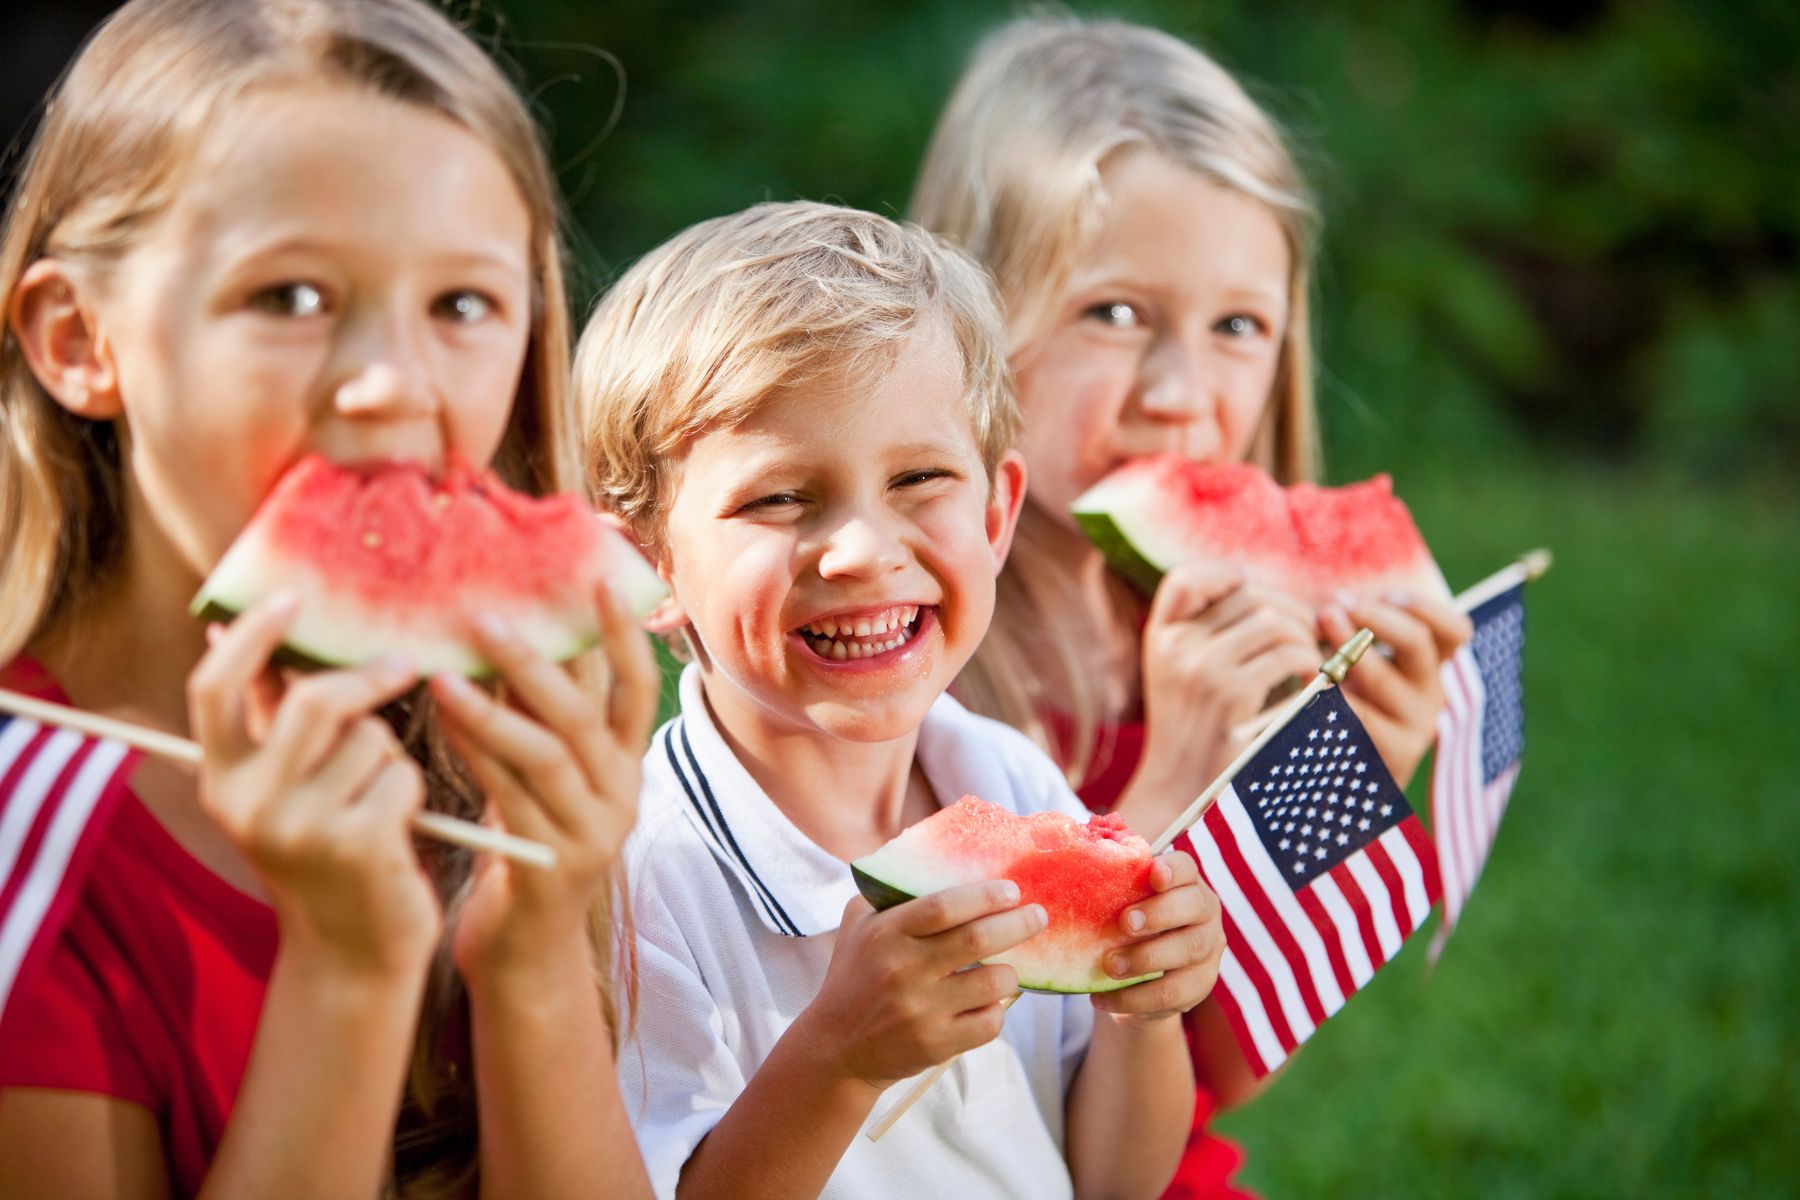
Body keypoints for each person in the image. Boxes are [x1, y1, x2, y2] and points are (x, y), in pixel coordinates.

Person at [0, 1, 656, 1196]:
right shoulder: (26, 842)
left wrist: (533, 952)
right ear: (77, 337)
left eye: (462, 306)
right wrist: (349, 975)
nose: (391, 385)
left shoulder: (487, 781)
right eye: (291, 298)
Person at [910, 15, 1474, 1197]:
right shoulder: (908, 655)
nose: (1181, 394)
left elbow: (1226, 1059)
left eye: (1236, 329)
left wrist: (1366, 752)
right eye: (1115, 314)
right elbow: (970, 1097)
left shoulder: (1240, 638)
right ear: (969, 314)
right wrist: (1167, 784)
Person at [574, 200, 1225, 1199]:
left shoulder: (1013, 782)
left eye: (919, 479)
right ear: (644, 567)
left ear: (997, 512)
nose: (867, 551)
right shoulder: (637, 886)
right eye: (780, 499)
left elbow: (1112, 1180)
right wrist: (839, 1058)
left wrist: (1139, 1010)